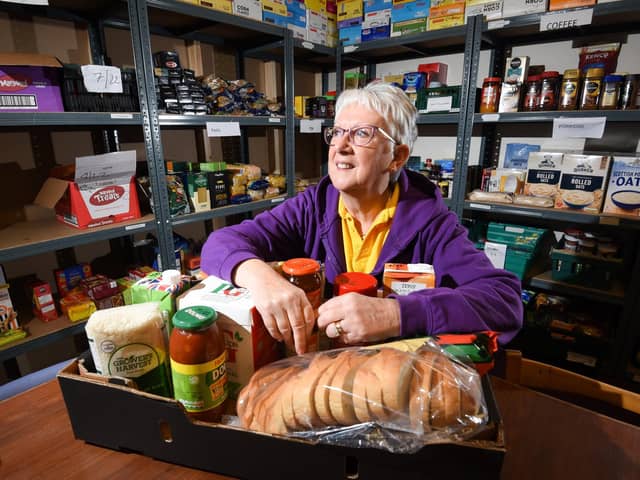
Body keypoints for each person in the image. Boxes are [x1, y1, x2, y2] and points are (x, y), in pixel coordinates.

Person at [201, 82, 522, 355]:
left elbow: (504, 302)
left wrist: (396, 313)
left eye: (362, 134)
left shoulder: (432, 223)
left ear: (397, 156)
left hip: (394, 380)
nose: (340, 145)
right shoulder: (311, 207)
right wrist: (261, 277)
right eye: (337, 131)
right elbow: (220, 244)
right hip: (320, 368)